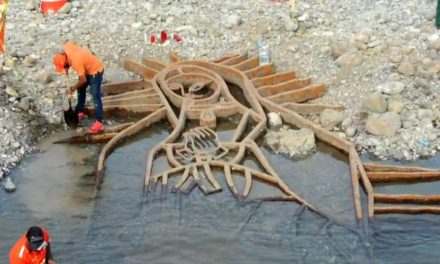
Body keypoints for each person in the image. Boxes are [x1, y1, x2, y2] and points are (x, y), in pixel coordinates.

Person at [53, 40, 105, 134]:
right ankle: (80, 111)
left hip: (95, 71)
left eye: (65, 66)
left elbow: (83, 80)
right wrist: (66, 67)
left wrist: (72, 88)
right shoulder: (67, 48)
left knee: (95, 96)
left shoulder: (76, 61)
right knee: (81, 89)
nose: (66, 67)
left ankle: (99, 122)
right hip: (86, 69)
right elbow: (72, 42)